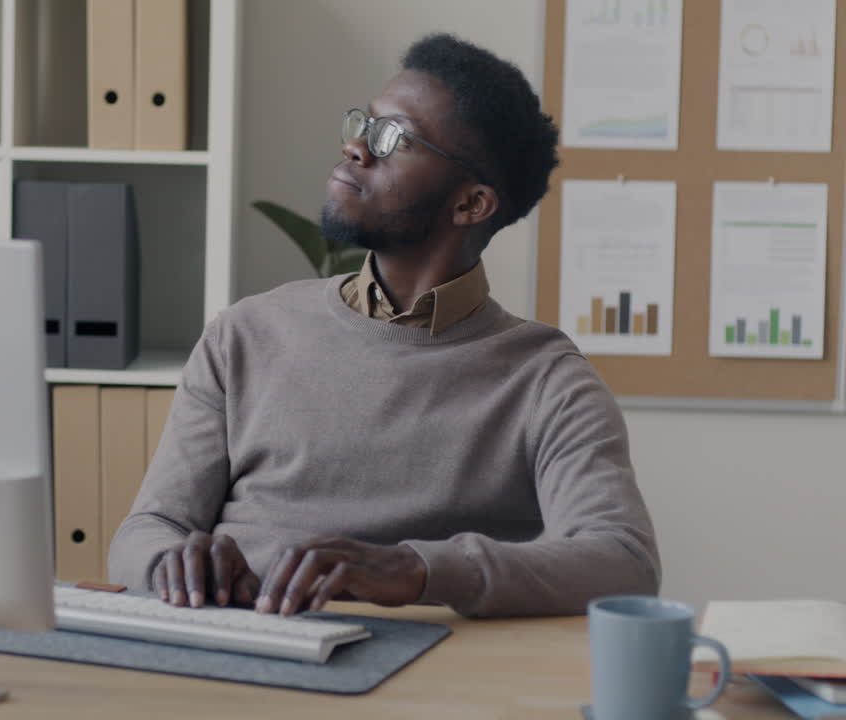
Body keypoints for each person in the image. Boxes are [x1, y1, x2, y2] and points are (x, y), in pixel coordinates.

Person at [106, 33, 660, 618]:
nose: (356, 148)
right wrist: (174, 562)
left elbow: (623, 562)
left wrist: (420, 569)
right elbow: (148, 529)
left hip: (415, 677)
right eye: (363, 124)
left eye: (392, 137)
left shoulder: (546, 380)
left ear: (471, 204)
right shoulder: (242, 335)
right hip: (235, 649)